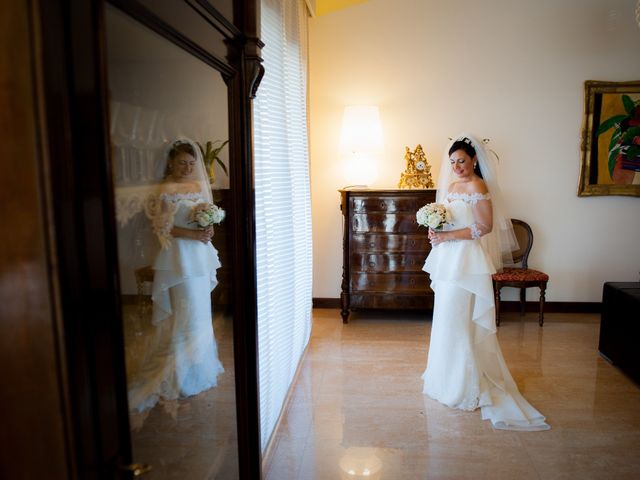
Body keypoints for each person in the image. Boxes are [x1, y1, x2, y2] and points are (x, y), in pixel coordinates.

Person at [421, 134, 549, 431]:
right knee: (445, 318)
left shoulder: (479, 186)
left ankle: (465, 385)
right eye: (453, 162)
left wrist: (448, 236)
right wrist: (435, 231)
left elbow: (484, 227)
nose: (457, 167)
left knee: (459, 319)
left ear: (474, 159)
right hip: (448, 258)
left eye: (462, 161)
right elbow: (447, 220)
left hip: (467, 260)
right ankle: (443, 378)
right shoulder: (452, 187)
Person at [127, 138, 224, 413]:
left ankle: (198, 371)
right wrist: (194, 234)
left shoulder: (196, 186)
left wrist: (208, 230)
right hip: (178, 259)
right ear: (171, 161)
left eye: (192, 164)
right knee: (185, 316)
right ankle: (176, 378)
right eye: (182, 162)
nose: (187, 168)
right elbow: (162, 227)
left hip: (199, 256)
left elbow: (210, 217)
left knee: (200, 315)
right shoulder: (164, 189)